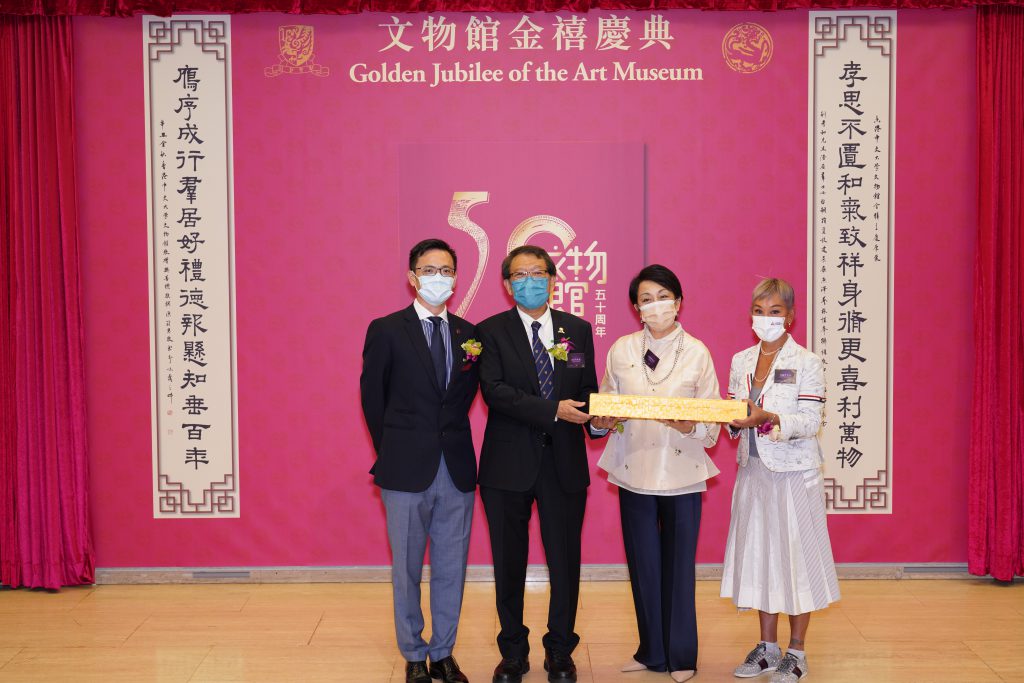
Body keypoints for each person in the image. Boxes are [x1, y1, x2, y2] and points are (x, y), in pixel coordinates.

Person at [475, 245, 601, 683]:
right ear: (508, 285)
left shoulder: (576, 329)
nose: (530, 280)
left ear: (553, 278)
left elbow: (586, 390)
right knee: (508, 561)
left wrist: (598, 423)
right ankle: (513, 651)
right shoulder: (490, 331)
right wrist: (552, 410)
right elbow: (494, 391)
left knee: (565, 561)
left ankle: (560, 650)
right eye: (520, 274)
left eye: (538, 272)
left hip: (564, 462)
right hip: (506, 466)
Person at [591, 264, 721, 683]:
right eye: (646, 299)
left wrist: (691, 426)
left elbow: (713, 422)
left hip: (682, 470)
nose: (656, 305)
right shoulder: (621, 350)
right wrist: (603, 421)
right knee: (643, 565)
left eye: (663, 296)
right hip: (634, 470)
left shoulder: (698, 352)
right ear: (635, 307)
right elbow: (603, 408)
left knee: (679, 566)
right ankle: (651, 651)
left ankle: (681, 656)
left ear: (679, 302)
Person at [360, 239, 479, 683]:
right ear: (412, 277)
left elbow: (466, 398)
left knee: (452, 566)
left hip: (457, 468)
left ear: (455, 276)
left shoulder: (470, 335)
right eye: (429, 270)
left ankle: (443, 651)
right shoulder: (387, 329)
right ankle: (413, 654)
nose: (437, 277)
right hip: (404, 469)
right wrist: (392, 450)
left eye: (446, 270)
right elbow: (373, 399)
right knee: (406, 568)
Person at [719, 278, 840, 683]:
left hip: (793, 474)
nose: (765, 318)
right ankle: (767, 649)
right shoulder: (740, 360)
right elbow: (735, 414)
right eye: (759, 310)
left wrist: (768, 418)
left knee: (796, 561)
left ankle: (797, 651)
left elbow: (809, 422)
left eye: (775, 311)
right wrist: (733, 422)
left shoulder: (808, 362)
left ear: (790, 316)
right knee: (759, 557)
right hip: (752, 471)